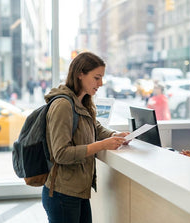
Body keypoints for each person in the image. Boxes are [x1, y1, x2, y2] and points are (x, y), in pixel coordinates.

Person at [41, 52, 130, 223]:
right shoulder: (63, 105)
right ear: (80, 74)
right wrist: (102, 145)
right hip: (62, 194)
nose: (101, 83)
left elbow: (93, 127)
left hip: (77, 191)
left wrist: (114, 135)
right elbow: (61, 154)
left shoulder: (81, 102)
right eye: (97, 77)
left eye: (102, 78)